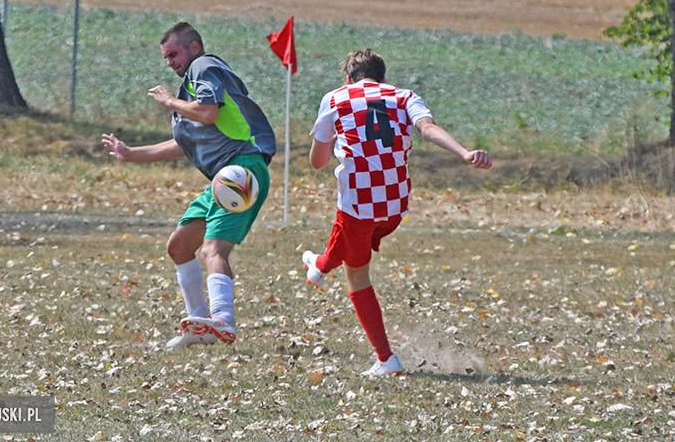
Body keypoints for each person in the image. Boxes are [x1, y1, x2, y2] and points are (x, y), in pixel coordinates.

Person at [302, 49, 492, 376]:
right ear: (384, 77)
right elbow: (428, 129)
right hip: (395, 205)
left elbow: (317, 162)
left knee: (356, 273)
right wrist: (464, 153)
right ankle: (318, 267)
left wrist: (331, 138)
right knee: (347, 244)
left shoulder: (334, 99)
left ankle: (386, 360)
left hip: (359, 205)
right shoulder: (404, 96)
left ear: (348, 78)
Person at [102, 22, 276, 348]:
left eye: (174, 54)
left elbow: (207, 113)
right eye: (166, 57)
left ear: (194, 47)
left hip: (242, 170)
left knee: (213, 250)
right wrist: (131, 153)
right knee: (179, 246)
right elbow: (184, 143)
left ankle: (223, 319)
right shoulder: (190, 91)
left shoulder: (203, 67)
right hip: (225, 176)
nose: (170, 62)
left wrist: (170, 102)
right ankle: (199, 326)